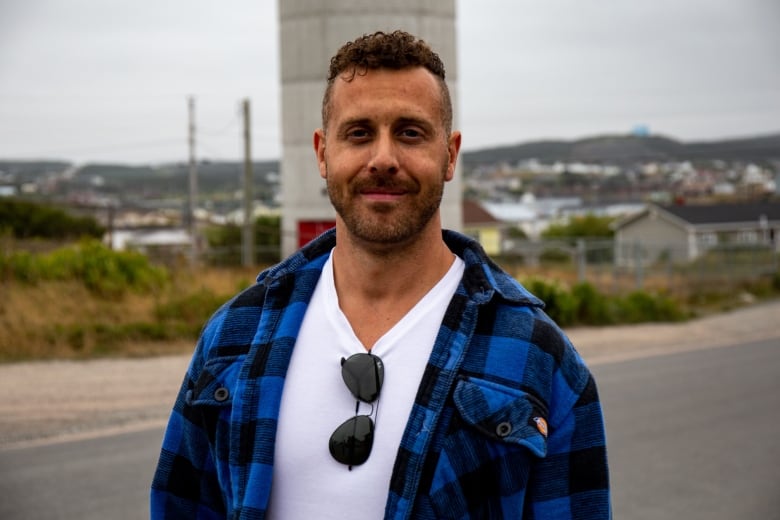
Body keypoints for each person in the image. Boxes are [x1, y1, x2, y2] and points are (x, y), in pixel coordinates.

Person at [151, 30, 610, 519]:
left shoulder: (537, 355)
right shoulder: (233, 336)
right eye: (359, 133)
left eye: (410, 132)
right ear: (323, 152)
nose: (384, 159)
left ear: (450, 154)